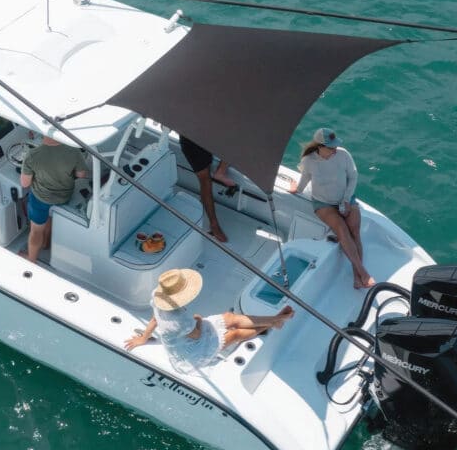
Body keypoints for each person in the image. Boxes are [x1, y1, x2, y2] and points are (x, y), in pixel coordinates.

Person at [124, 269, 294, 372]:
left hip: (189, 332)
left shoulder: (157, 295)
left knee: (230, 317)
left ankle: (275, 320)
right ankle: (272, 323)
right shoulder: (179, 321)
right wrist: (198, 319)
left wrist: (144, 338)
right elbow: (197, 335)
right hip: (189, 352)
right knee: (234, 335)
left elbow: (155, 319)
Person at [288, 127, 375, 289]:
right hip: (323, 204)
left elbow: (353, 176)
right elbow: (304, 180)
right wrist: (297, 189)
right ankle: (363, 273)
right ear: (319, 146)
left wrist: (346, 200)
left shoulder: (343, 155)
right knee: (342, 229)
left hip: (346, 198)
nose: (335, 149)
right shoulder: (308, 161)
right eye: (331, 147)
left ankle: (357, 278)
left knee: (355, 232)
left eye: (335, 146)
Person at [20, 136, 89, 263]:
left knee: (36, 231)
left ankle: (31, 259)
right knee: (51, 216)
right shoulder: (74, 151)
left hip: (40, 198)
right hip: (64, 197)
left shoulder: (32, 155)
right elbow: (81, 174)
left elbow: (25, 184)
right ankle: (45, 243)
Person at [179, 134, 236, 243]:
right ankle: (214, 225)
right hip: (193, 142)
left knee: (236, 138)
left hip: (204, 138)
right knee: (205, 181)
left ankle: (220, 172)